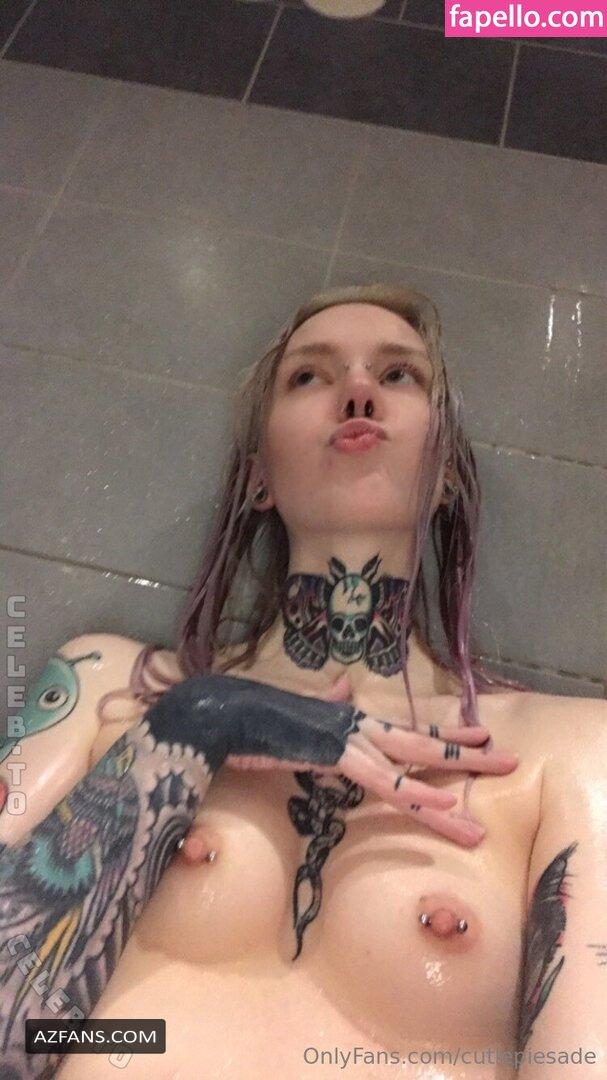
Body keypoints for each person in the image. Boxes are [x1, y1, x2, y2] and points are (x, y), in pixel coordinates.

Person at [0, 283, 605, 1079]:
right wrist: (198, 720)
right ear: (258, 477)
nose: (357, 391)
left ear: (448, 476)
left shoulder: (571, 750)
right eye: (309, 376)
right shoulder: (108, 689)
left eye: (397, 375)